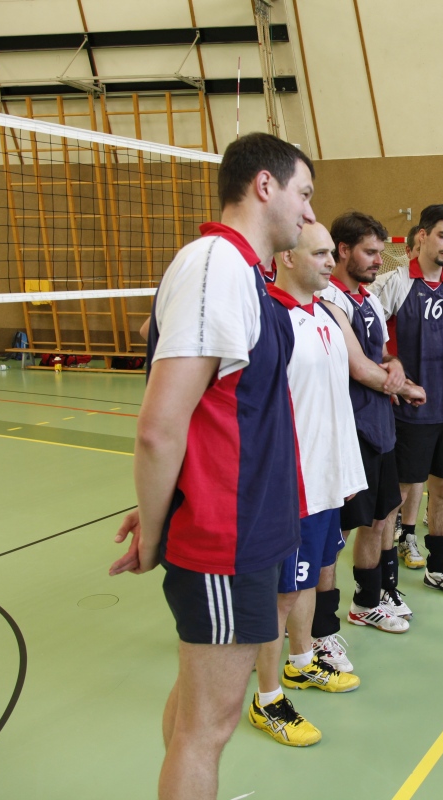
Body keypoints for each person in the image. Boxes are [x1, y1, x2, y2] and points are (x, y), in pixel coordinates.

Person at [107, 133, 313, 798]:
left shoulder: (244, 272)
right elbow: (159, 427)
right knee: (209, 726)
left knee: (198, 711)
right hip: (227, 538)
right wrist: (155, 528)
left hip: (247, 527)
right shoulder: (215, 265)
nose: (310, 212)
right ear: (264, 186)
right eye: (304, 194)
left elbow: (210, 416)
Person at [246, 221, 368, 747]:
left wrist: (344, 473)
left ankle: (300, 663)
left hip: (326, 480)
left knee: (312, 576)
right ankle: (267, 699)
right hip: (290, 486)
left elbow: (333, 396)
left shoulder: (324, 313)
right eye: (319, 254)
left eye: (329, 253)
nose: (330, 262)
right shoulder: (269, 319)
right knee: (280, 594)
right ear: (287, 258)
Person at [318, 212, 426, 653]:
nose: (379, 260)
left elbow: (381, 355)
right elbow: (358, 367)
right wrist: (407, 387)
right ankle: (318, 624)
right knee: (336, 532)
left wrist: (395, 367)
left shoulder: (369, 300)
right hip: (348, 430)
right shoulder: (328, 299)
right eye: (370, 252)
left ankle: (367, 601)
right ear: (343, 251)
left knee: (382, 516)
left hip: (379, 424)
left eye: (381, 252)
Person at [373, 204, 443, 599]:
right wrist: (391, 370)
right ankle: (385, 584)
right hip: (408, 411)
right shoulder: (394, 283)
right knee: (397, 497)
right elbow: (369, 334)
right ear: (422, 236)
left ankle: (439, 569)